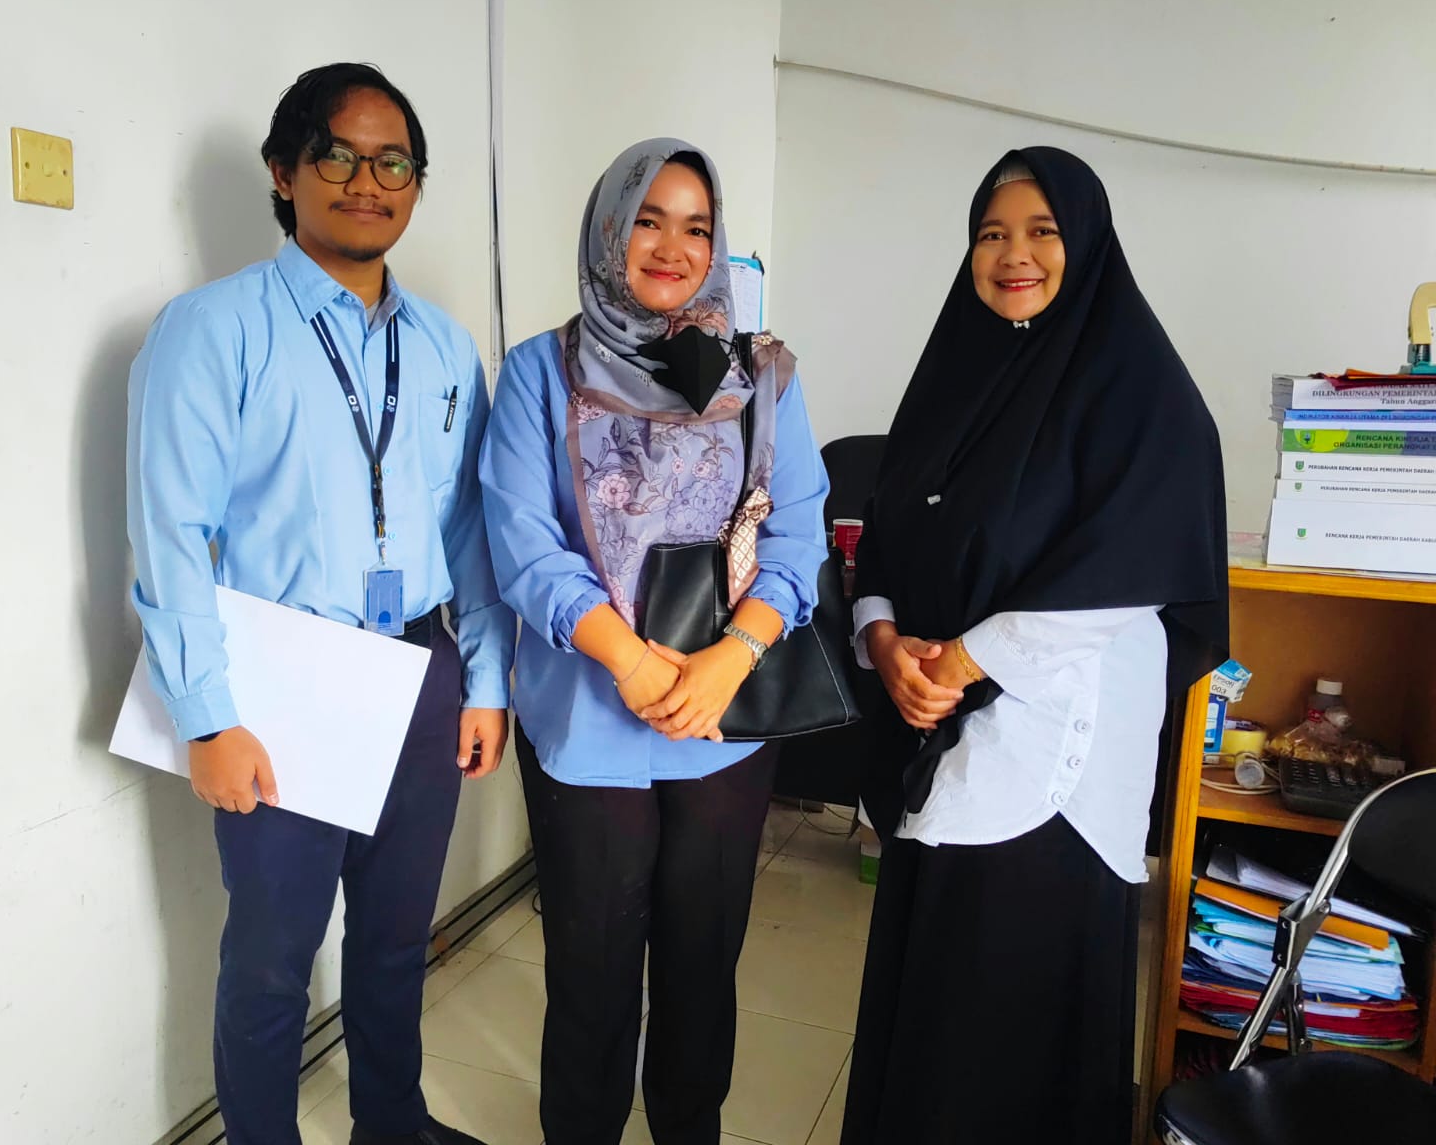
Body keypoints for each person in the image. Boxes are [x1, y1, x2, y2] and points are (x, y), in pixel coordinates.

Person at [125, 62, 515, 1145]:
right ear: (283, 170)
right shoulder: (212, 330)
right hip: (279, 679)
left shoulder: (443, 348)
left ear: (416, 183)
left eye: (394, 162)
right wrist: (205, 715)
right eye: (337, 154)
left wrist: (485, 682)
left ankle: (393, 1123)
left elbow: (469, 529)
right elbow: (170, 534)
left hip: (422, 673)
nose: (365, 181)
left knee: (394, 941)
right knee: (271, 960)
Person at [841, 147, 1228, 1145]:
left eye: (1041, 232)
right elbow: (886, 533)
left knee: (1007, 1035)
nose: (1013, 255)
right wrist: (883, 640)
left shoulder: (1140, 388)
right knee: (931, 1021)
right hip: (934, 730)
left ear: (1085, 243)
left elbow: (1132, 566)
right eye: (991, 234)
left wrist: (962, 662)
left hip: (1053, 758)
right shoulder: (953, 378)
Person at [479, 139, 830, 1145]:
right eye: (648, 219)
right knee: (590, 971)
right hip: (590, 716)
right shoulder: (539, 371)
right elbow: (521, 541)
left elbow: (798, 534)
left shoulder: (760, 375)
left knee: (700, 967)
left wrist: (731, 658)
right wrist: (630, 660)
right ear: (608, 230)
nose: (672, 247)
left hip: (723, 717)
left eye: (697, 227)